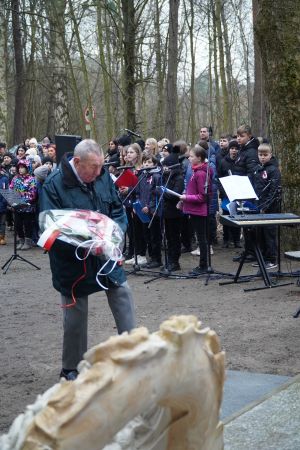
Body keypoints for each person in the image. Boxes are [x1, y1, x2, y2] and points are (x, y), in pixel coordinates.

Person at [40, 139, 136, 380]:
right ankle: (72, 368)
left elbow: (116, 209)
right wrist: (85, 241)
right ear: (77, 162)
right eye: (93, 167)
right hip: (72, 260)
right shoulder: (54, 185)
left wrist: (115, 233)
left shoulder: (101, 175)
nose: (97, 172)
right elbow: (49, 226)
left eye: (100, 166)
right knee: (75, 312)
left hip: (105, 253)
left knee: (122, 292)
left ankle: (134, 354)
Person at [179, 145, 212, 275]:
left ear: (199, 158)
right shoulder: (195, 171)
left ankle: (203, 265)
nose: (189, 158)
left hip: (199, 210)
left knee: (202, 239)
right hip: (193, 209)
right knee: (200, 238)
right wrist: (183, 200)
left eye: (192, 156)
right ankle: (203, 265)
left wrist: (186, 197)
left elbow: (202, 197)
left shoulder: (201, 174)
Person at [252, 143, 281, 269]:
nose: (262, 157)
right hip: (259, 206)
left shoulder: (273, 170)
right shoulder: (258, 169)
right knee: (261, 233)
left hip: (270, 208)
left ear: (270, 155)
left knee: (270, 233)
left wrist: (266, 206)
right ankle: (263, 257)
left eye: (265, 155)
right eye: (260, 155)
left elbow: (273, 191)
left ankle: (272, 259)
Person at [9, 160, 38, 250]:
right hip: (17, 207)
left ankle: (28, 241)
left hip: (28, 207)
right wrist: (12, 200)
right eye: (19, 167)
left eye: (23, 167)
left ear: (27, 168)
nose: (21, 169)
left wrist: (22, 200)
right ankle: (21, 240)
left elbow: (33, 193)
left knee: (27, 224)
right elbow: (11, 189)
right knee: (17, 224)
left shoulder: (32, 179)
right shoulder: (15, 179)